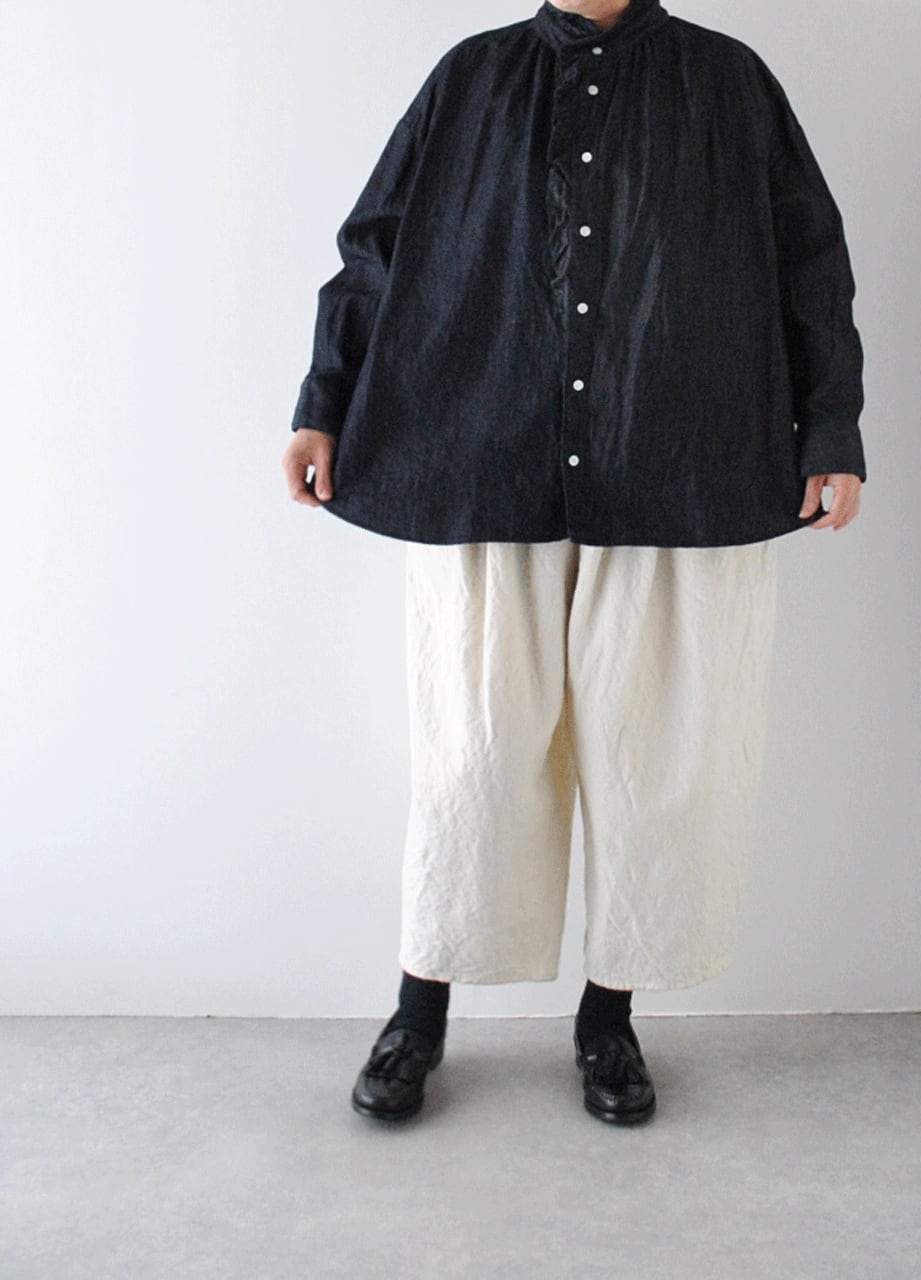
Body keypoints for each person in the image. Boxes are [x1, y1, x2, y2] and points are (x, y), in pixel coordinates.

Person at [281, 0, 866, 1126]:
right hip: (478, 451)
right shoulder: (471, 77)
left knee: (658, 756)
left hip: (682, 457)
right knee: (474, 753)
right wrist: (323, 404)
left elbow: (810, 260)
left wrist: (830, 429)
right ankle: (419, 1010)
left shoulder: (727, 82)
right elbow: (376, 247)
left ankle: (609, 1019)